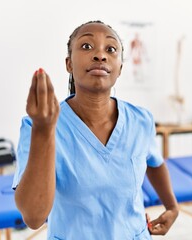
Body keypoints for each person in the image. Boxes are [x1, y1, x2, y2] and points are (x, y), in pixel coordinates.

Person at [12, 20, 179, 239]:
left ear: (120, 67)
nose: (100, 55)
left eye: (111, 49)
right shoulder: (37, 126)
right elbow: (33, 217)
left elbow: (155, 163)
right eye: (87, 46)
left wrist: (172, 207)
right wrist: (44, 131)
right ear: (69, 64)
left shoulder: (141, 120)